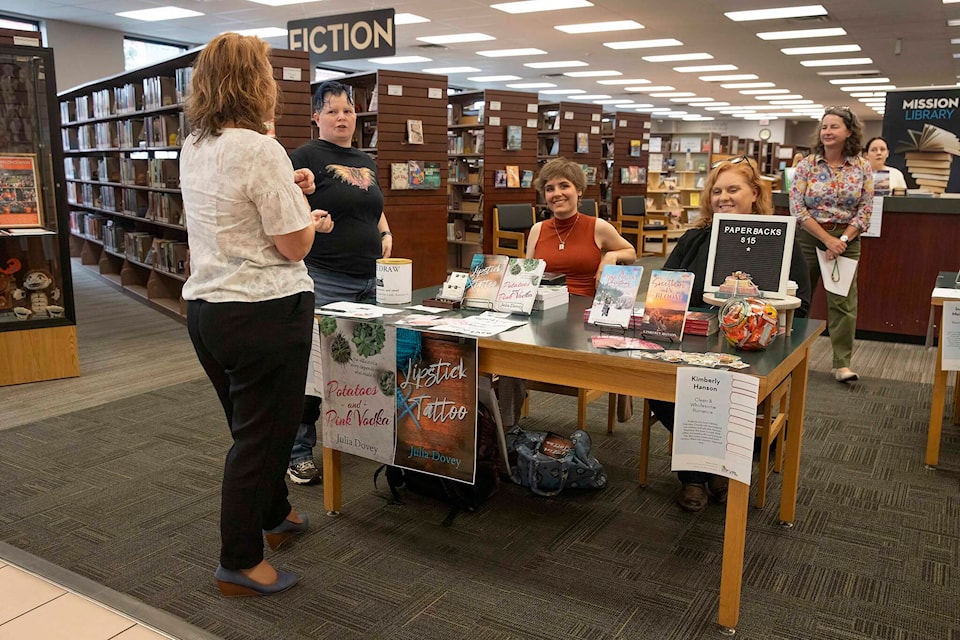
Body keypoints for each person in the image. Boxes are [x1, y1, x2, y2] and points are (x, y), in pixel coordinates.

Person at [180, 33, 334, 596]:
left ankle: (275, 515)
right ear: (256, 81)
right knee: (261, 437)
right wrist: (308, 218)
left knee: (255, 428)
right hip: (264, 310)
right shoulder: (260, 147)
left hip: (208, 309)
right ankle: (239, 561)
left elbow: (231, 212)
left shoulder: (196, 144)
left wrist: (287, 190)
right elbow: (292, 245)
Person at [648, 156, 812, 511]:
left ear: (754, 193)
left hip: (756, 349)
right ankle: (705, 470)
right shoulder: (694, 238)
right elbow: (665, 291)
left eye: (733, 189)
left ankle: (701, 473)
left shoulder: (779, 240)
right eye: (717, 190)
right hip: (694, 341)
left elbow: (803, 305)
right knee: (658, 384)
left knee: (728, 389)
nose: (723, 196)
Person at [286, 80, 392, 485]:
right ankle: (299, 453)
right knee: (314, 371)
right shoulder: (305, 156)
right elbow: (291, 209)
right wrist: (311, 220)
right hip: (326, 277)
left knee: (364, 364)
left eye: (347, 110)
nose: (342, 117)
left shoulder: (365, 159)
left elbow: (373, 205)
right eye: (332, 111)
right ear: (316, 117)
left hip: (370, 279)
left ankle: (352, 435)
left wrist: (385, 232)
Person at [497, 157, 636, 427]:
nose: (557, 193)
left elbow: (631, 252)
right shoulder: (538, 230)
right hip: (545, 314)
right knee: (504, 352)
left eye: (564, 186)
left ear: (579, 190)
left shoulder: (597, 226)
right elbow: (529, 274)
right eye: (550, 188)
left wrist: (611, 257)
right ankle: (507, 428)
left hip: (582, 318)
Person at [790, 106, 873, 383]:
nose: (827, 131)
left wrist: (843, 239)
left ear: (849, 131)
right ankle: (791, 358)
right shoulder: (806, 165)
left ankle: (842, 364)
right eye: (824, 126)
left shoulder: (862, 167)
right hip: (809, 237)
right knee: (800, 299)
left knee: (843, 303)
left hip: (847, 240)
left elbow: (865, 209)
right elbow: (797, 208)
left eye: (834, 126)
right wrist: (827, 240)